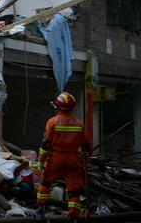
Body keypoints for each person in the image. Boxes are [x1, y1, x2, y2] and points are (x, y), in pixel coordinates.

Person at [34, 92, 90, 223]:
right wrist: (84, 154)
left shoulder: (52, 122)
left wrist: (41, 160)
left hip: (56, 159)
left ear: (57, 106)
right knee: (74, 190)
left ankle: (40, 212)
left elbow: (46, 143)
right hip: (73, 159)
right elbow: (85, 144)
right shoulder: (78, 123)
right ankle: (74, 218)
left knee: (45, 183)